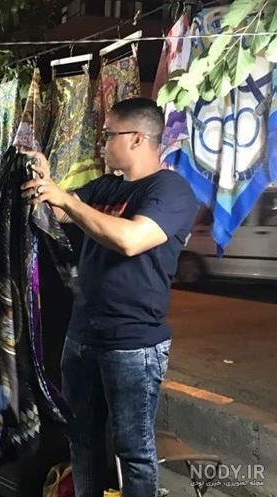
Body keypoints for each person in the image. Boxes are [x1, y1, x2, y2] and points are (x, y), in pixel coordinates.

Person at [21, 98, 198, 497]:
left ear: (136, 138)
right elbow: (60, 212)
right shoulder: (107, 186)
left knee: (132, 450)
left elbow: (130, 239)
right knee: (81, 440)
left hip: (133, 343)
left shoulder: (170, 190)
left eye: (108, 135)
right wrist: (47, 186)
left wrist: (65, 199)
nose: (102, 143)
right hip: (82, 335)